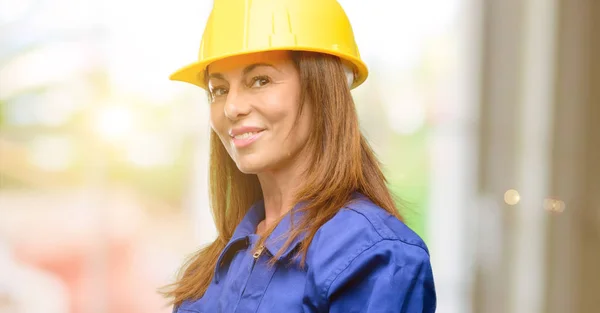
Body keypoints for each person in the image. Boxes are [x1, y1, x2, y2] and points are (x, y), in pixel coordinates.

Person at [165, 0, 436, 312]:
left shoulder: (374, 258)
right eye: (218, 89)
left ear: (321, 88)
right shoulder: (207, 273)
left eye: (260, 80)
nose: (231, 107)